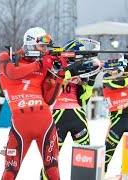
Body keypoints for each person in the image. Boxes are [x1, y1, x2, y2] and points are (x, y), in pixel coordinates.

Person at [0, 27, 66, 180]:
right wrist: (40, 65)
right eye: (41, 46)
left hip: (45, 123)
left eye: (46, 47)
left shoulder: (43, 65)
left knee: (53, 170)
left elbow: (49, 99)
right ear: (30, 43)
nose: (44, 50)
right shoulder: (7, 57)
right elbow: (12, 74)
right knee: (10, 171)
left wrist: (60, 75)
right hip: (20, 125)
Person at [39, 39, 100, 179]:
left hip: (77, 114)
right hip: (58, 114)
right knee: (51, 157)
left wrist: (90, 81)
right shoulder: (56, 65)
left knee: (85, 156)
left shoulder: (81, 67)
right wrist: (69, 72)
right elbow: (51, 87)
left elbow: (83, 100)